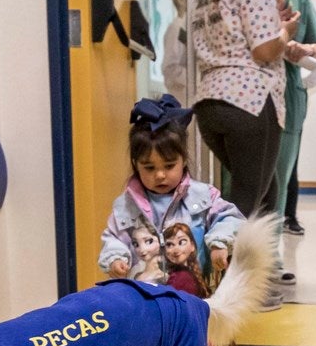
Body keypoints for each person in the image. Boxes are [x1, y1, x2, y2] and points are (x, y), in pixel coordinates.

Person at [190, 0, 297, 224]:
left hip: (211, 103)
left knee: (266, 192)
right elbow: (265, 51)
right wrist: (285, 32)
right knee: (246, 202)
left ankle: (252, 270)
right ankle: (215, 271)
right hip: (249, 102)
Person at [100, 94, 243, 284]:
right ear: (136, 164)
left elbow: (230, 218)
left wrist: (220, 242)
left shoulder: (203, 196)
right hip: (145, 297)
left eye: (169, 166)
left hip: (193, 296)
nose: (160, 175)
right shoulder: (125, 204)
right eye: (149, 168)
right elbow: (113, 238)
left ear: (183, 160)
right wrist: (115, 258)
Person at [264, 0, 316, 239]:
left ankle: (270, 262)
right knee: (243, 182)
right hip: (249, 94)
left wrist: (304, 49)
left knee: (279, 180)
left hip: (289, 94)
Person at [160, 0, 190, 99]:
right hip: (182, 96)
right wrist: (195, 78)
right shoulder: (176, 28)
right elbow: (169, 67)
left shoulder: (186, 26)